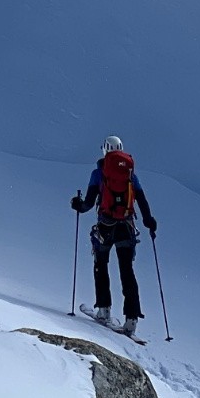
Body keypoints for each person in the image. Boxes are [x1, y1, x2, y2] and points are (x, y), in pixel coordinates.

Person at [71, 137, 156, 336]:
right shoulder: (130, 175)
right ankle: (131, 319)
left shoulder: (98, 173)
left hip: (105, 226)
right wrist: (149, 221)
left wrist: (78, 204)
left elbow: (89, 204)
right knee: (127, 270)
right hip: (126, 226)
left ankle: (104, 309)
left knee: (101, 265)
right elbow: (142, 200)